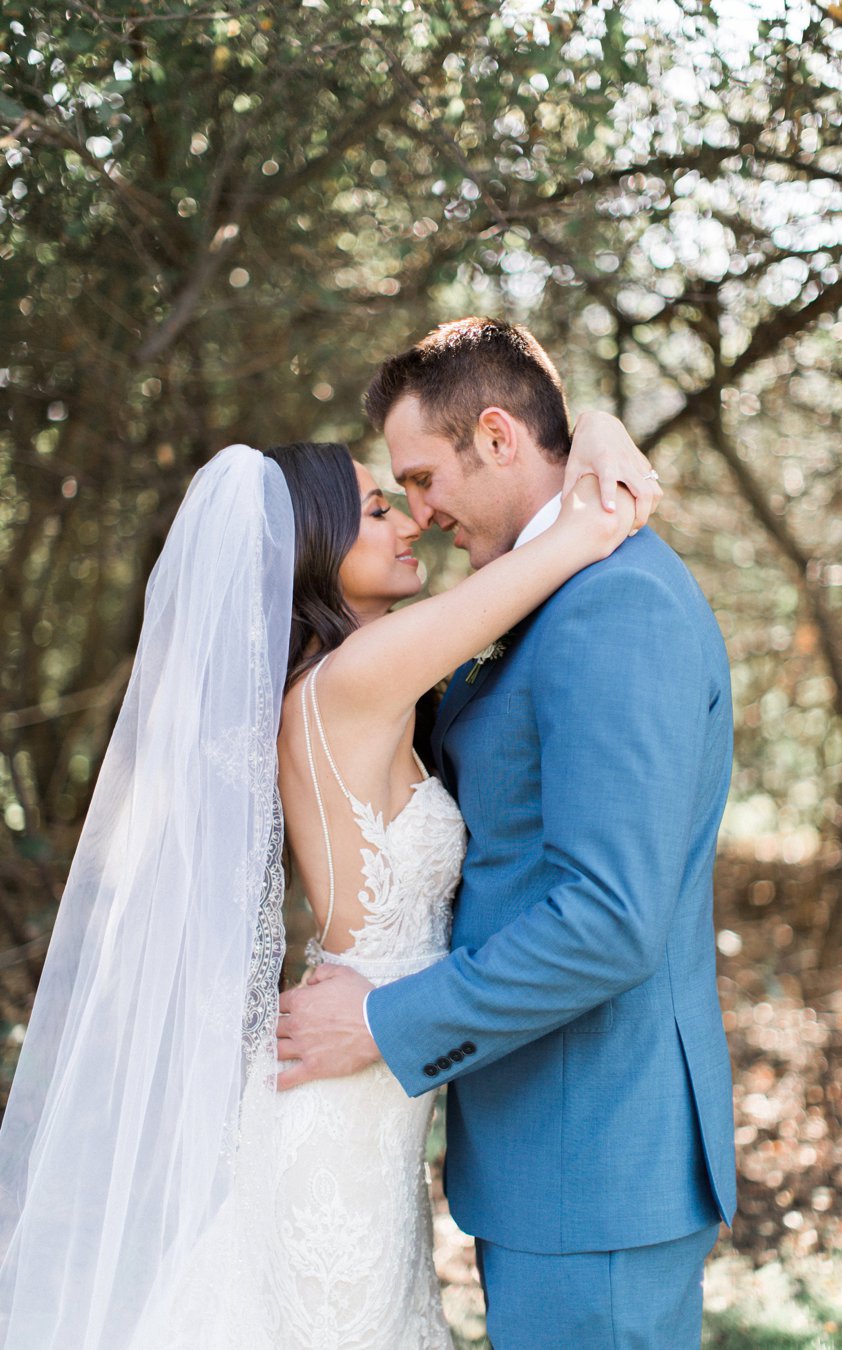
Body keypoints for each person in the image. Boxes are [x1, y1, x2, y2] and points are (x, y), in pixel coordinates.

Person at [0, 399, 651, 1347]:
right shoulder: (358, 678)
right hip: (346, 1105)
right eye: (376, 509)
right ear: (311, 544)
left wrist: (584, 423)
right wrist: (592, 430)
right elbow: (577, 536)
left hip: (371, 1088)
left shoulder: (344, 682)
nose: (411, 520)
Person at [278, 317, 737, 1350]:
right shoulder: (542, 596)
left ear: (496, 436)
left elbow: (611, 921)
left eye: (424, 479)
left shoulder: (612, 604)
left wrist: (386, 1021)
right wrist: (599, 444)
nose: (421, 514)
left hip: (598, 1158)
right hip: (546, 1157)